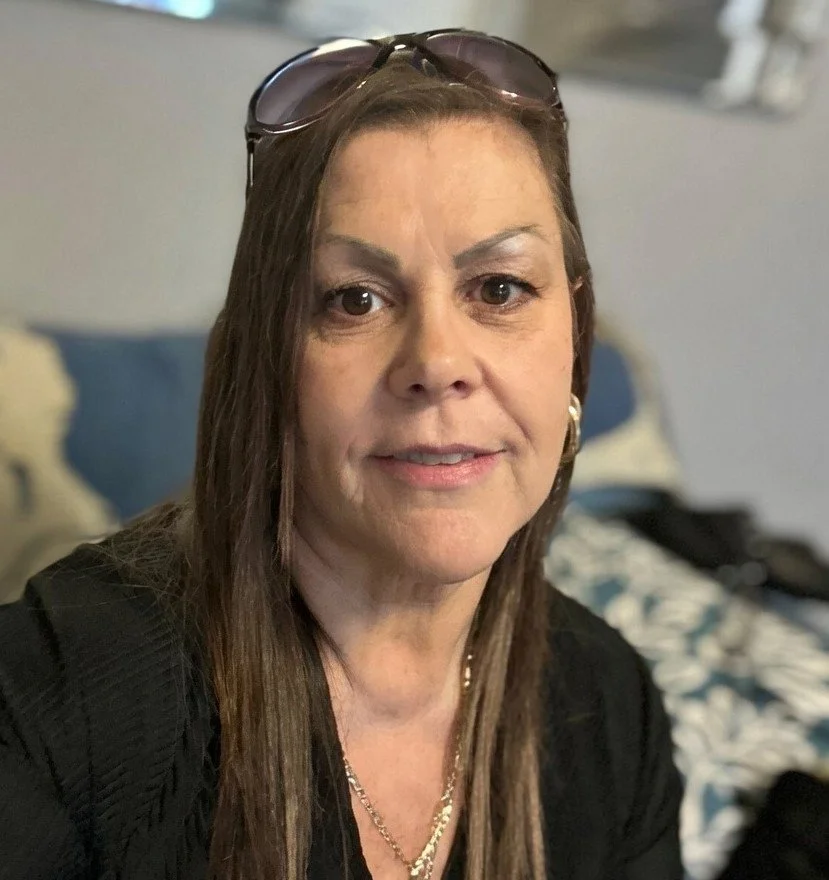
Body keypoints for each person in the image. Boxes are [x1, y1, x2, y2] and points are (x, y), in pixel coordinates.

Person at [0, 31, 683, 880]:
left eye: (499, 289)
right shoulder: (60, 693)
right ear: (266, 360)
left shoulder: (607, 706)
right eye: (354, 299)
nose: (437, 362)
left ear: (573, 335)